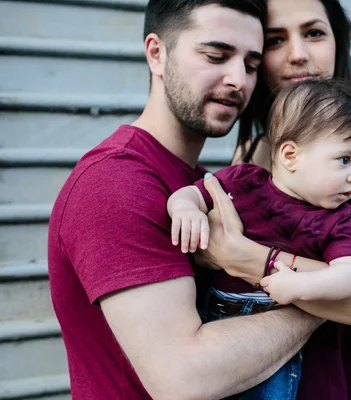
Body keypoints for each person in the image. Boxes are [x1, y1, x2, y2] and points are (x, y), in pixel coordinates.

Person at [47, 1, 326, 399]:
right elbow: (184, 380)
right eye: (216, 56)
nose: (238, 81)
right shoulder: (115, 183)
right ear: (157, 54)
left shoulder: (201, 184)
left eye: (250, 64)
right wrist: (323, 301)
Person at [191, 0, 351, 398]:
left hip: (331, 365)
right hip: (251, 359)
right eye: (277, 40)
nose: (298, 55)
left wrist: (253, 260)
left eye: (314, 33)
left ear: (337, 43)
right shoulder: (252, 150)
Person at [167, 79, 351, 399]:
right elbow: (190, 194)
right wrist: (186, 208)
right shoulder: (242, 180)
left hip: (270, 333)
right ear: (290, 155)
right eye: (345, 160)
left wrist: (301, 287)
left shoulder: (335, 221)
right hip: (209, 321)